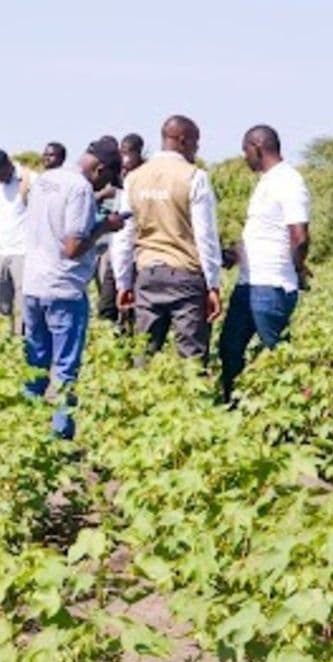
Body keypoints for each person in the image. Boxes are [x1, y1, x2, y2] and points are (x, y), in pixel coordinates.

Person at [21, 140, 124, 439]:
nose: (104, 185)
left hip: (34, 284)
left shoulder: (46, 179)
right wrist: (105, 226)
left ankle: (24, 432)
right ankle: (61, 438)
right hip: (63, 289)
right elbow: (73, 247)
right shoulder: (80, 189)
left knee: (35, 366)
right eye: (106, 179)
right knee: (65, 370)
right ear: (100, 169)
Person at [110, 115, 223, 361]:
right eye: (195, 142)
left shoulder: (134, 178)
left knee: (144, 356)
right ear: (183, 140)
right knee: (191, 360)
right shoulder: (194, 177)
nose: (197, 149)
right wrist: (213, 285)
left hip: (147, 276)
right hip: (185, 277)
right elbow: (206, 236)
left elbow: (123, 236)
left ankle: (142, 400)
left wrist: (123, 283)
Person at [218, 125, 312, 402]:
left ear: (257, 147)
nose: (244, 157)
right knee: (229, 349)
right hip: (249, 283)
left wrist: (297, 268)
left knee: (276, 354)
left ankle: (289, 414)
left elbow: (300, 237)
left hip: (271, 285)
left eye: (246, 151)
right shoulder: (268, 181)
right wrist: (235, 255)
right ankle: (233, 409)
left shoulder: (289, 181)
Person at [95, 132, 145, 325]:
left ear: (137, 153)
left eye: (127, 153)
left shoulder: (143, 177)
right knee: (106, 308)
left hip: (135, 254)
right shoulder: (119, 176)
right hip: (116, 250)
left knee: (131, 310)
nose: (124, 159)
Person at [0, 149, 29, 333]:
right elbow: (0, 216)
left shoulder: (29, 180)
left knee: (22, 305)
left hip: (23, 251)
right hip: (0, 250)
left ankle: (21, 345)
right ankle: (3, 341)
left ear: (7, 165)